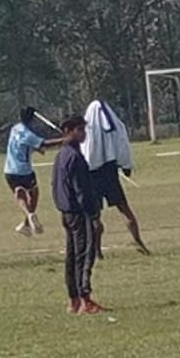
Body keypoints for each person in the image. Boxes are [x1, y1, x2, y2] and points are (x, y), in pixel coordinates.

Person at [81, 100, 149, 258]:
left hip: (92, 175)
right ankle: (138, 241)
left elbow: (85, 154)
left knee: (95, 215)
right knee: (124, 209)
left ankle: (97, 251)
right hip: (109, 171)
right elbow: (122, 144)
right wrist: (126, 165)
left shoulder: (87, 129)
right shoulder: (115, 127)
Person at [52, 115, 104, 315]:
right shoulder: (74, 157)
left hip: (66, 212)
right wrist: (93, 215)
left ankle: (73, 299)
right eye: (79, 130)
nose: (83, 134)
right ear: (68, 131)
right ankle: (84, 298)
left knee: (72, 254)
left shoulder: (61, 154)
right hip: (79, 212)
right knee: (84, 253)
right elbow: (81, 190)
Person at [4, 107, 62, 237]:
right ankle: (29, 215)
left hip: (9, 170)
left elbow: (22, 144)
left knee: (19, 193)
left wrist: (34, 148)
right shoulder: (29, 134)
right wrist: (65, 140)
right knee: (33, 194)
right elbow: (45, 144)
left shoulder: (15, 129)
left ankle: (27, 222)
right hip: (24, 171)